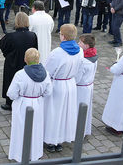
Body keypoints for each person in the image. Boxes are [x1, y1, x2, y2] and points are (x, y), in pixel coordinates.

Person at [7, 48, 52, 162]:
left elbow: (11, 94)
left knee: (21, 129)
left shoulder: (20, 74)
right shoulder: (46, 73)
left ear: (25, 59)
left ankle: (19, 154)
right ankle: (35, 153)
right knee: (36, 128)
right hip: (37, 103)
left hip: (23, 104)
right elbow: (48, 92)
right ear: (38, 60)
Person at [43, 24, 83, 153]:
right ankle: (60, 139)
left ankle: (51, 140)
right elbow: (80, 70)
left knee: (54, 113)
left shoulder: (57, 53)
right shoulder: (80, 50)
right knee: (66, 112)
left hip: (57, 85)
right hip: (70, 84)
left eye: (60, 34)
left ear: (63, 36)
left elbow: (47, 71)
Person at [0, 12, 38, 110]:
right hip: (27, 62)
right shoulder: (32, 35)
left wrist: (7, 55)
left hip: (12, 62)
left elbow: (2, 45)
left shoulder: (11, 36)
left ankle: (9, 102)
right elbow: (35, 48)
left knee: (10, 80)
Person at [76, 34, 98, 136]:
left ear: (87, 46)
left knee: (79, 109)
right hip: (89, 86)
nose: (78, 44)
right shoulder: (94, 56)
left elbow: (77, 78)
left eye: (80, 42)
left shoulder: (83, 61)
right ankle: (84, 129)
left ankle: (78, 130)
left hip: (81, 88)